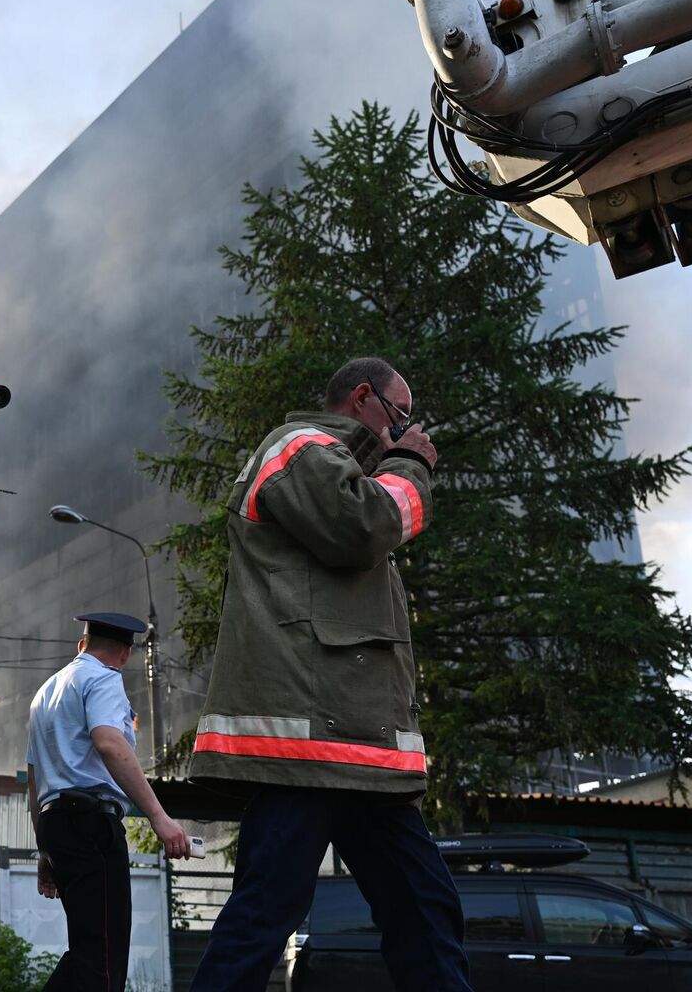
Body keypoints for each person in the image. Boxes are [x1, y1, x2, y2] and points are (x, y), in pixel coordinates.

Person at [187, 357, 471, 992]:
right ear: (363, 398)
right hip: (307, 748)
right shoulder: (299, 449)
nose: (408, 429)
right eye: (400, 414)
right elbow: (362, 527)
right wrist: (412, 464)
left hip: (359, 749)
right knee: (265, 917)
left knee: (426, 913)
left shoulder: (341, 470)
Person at [27, 613, 191, 992]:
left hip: (56, 825)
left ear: (81, 645)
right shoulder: (103, 677)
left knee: (88, 948)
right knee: (104, 954)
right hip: (90, 824)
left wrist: (44, 852)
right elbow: (110, 742)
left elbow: (34, 780)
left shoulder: (45, 693)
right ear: (125, 653)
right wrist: (159, 817)